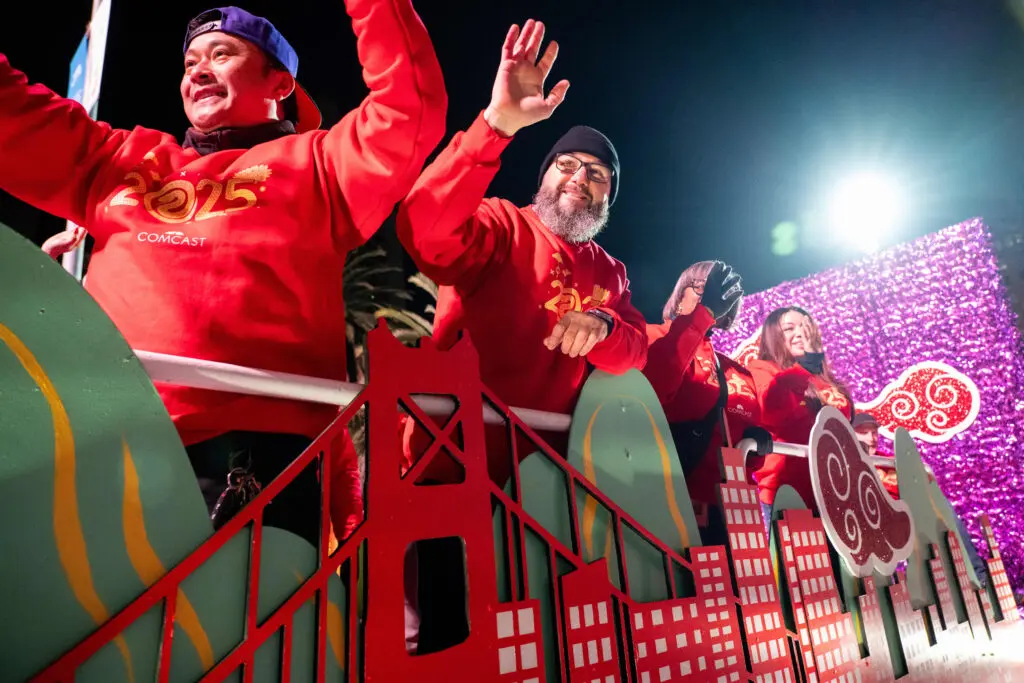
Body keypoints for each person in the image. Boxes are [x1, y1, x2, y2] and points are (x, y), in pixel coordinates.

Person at [2, 3, 447, 547]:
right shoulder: (119, 159)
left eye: (222, 54)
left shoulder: (323, 165)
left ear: (280, 82)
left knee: (241, 629)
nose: (198, 70)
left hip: (258, 455)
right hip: (102, 439)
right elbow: (12, 115)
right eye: (190, 61)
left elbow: (409, 108)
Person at [394, 18, 646, 654]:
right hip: (451, 470)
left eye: (597, 175)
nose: (578, 178)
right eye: (567, 163)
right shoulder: (500, 224)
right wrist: (496, 125)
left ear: (609, 197)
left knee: (541, 642)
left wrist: (606, 325)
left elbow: (635, 351)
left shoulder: (610, 272)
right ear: (543, 175)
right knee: (453, 645)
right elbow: (424, 231)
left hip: (548, 488)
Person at [644, 260, 759, 545]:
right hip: (671, 506)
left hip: (735, 515)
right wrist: (700, 317)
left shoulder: (740, 372)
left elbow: (749, 458)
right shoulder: (650, 337)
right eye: (702, 289)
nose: (714, 298)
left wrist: (757, 445)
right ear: (680, 293)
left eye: (723, 292)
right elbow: (654, 392)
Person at [853, 413, 988, 583]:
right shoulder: (849, 463)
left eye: (874, 433)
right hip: (878, 518)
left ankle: (977, 576)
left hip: (909, 512)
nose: (871, 438)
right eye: (864, 432)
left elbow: (924, 480)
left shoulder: (889, 459)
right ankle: (891, 593)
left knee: (942, 509)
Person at [747, 307, 853, 516]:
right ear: (773, 336)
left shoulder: (825, 379)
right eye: (789, 329)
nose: (800, 333)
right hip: (788, 495)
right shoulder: (763, 370)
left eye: (805, 327)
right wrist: (806, 365)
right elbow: (772, 409)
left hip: (836, 493)